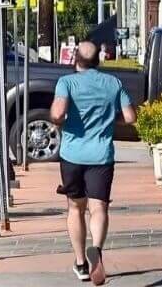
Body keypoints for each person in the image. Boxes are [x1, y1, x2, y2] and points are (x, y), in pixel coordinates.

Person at [50, 39, 136, 284]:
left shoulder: (66, 83)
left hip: (72, 155)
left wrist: (64, 118)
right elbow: (130, 117)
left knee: (75, 208)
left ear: (75, 59)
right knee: (98, 208)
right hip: (101, 155)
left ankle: (81, 264)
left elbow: (57, 114)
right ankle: (96, 249)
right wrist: (109, 118)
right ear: (99, 59)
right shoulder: (113, 83)